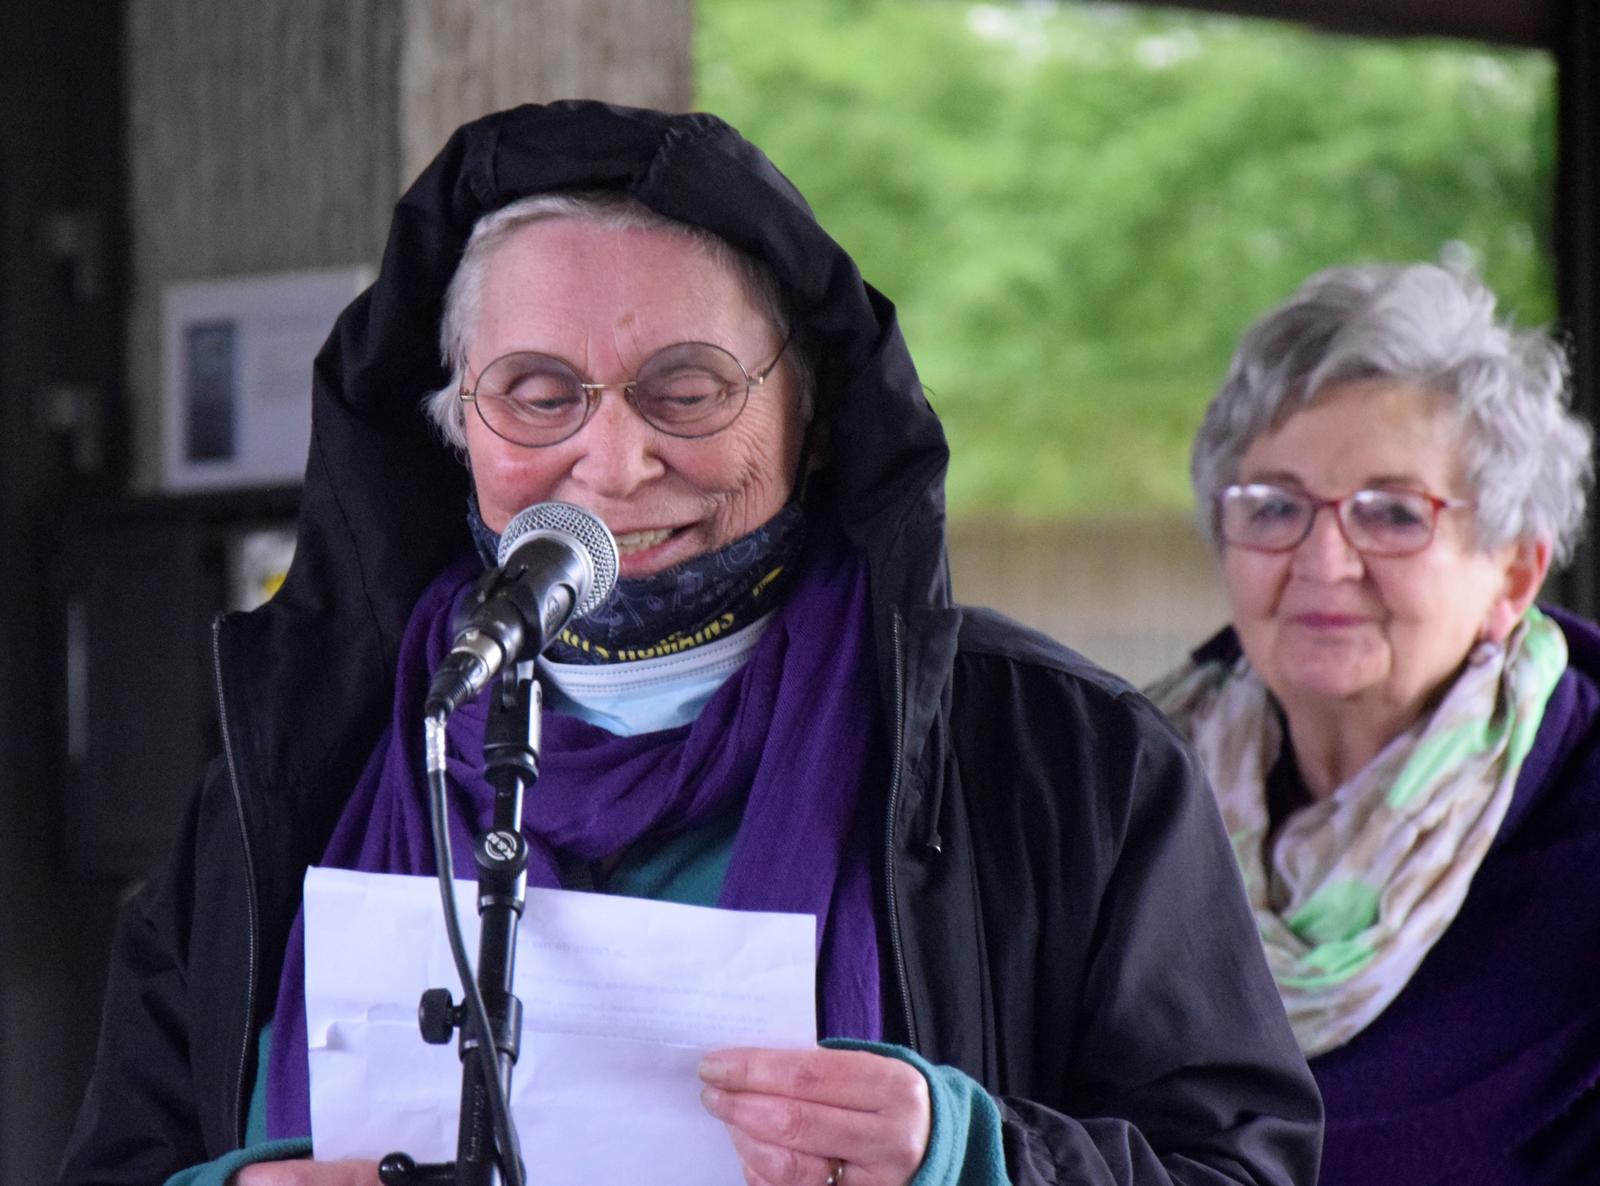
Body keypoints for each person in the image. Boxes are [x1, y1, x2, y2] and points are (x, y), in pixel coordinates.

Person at [57, 101, 1321, 1186]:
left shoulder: (1063, 756)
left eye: (688, 388)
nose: (614, 461)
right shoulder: (292, 765)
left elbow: (1243, 1159)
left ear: (812, 410)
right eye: (539, 393)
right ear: (456, 426)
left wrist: (968, 1153)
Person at [1149, 262, 1600, 1185]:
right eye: (1274, 506)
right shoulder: (1122, 793)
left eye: (1392, 514)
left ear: (1513, 575)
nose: (1325, 561)